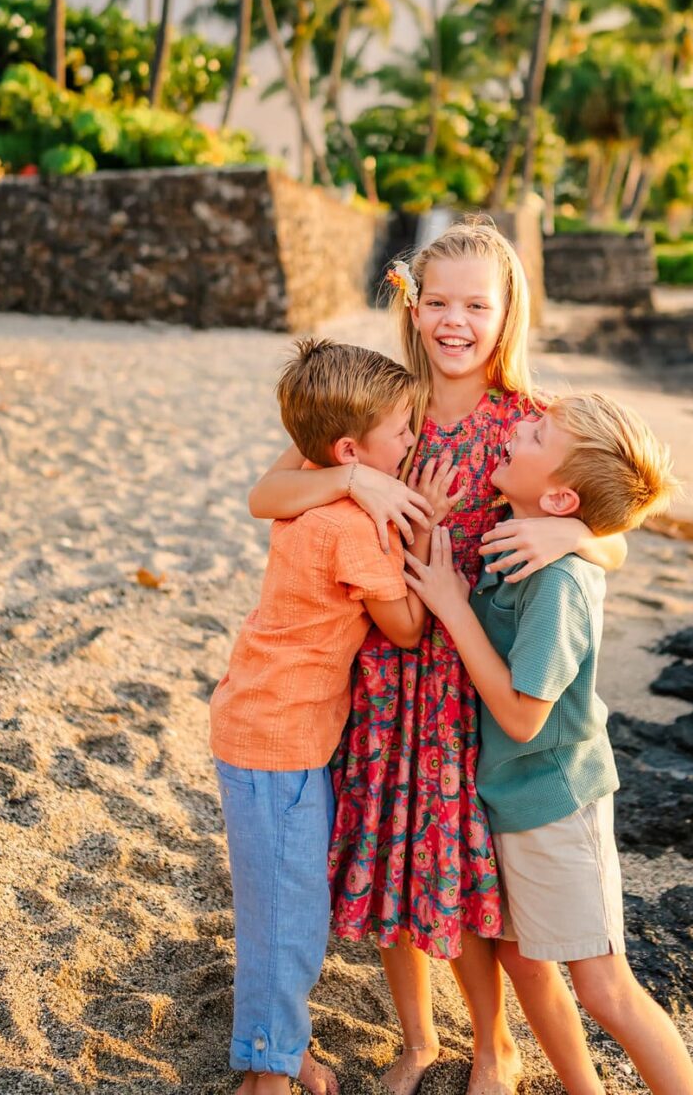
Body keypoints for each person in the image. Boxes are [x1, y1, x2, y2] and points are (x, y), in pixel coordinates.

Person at [248, 219, 626, 1095]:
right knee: (385, 852)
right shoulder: (386, 409)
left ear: (507, 315)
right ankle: (416, 1040)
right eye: (440, 303)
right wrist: (350, 478)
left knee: (468, 873)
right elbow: (268, 494)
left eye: (477, 306)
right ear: (414, 309)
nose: (455, 322)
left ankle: (493, 1047)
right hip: (382, 674)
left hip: (470, 686)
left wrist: (572, 528)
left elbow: (611, 542)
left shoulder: (531, 426)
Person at [405, 392, 693, 1095]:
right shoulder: (519, 529)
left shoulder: (560, 581)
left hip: (556, 804)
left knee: (604, 988)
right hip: (507, 797)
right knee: (522, 961)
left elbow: (521, 718)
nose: (516, 429)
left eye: (535, 434)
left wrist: (451, 607)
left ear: (561, 497)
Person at [210, 338, 428, 1095]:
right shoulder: (350, 525)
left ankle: (281, 1045)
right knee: (286, 918)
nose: (411, 439)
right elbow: (403, 628)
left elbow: (269, 487)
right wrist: (422, 553)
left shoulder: (307, 478)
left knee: (285, 903)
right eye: (401, 430)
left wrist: (350, 474)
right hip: (279, 742)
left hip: (264, 724)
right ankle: (268, 1071)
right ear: (348, 448)